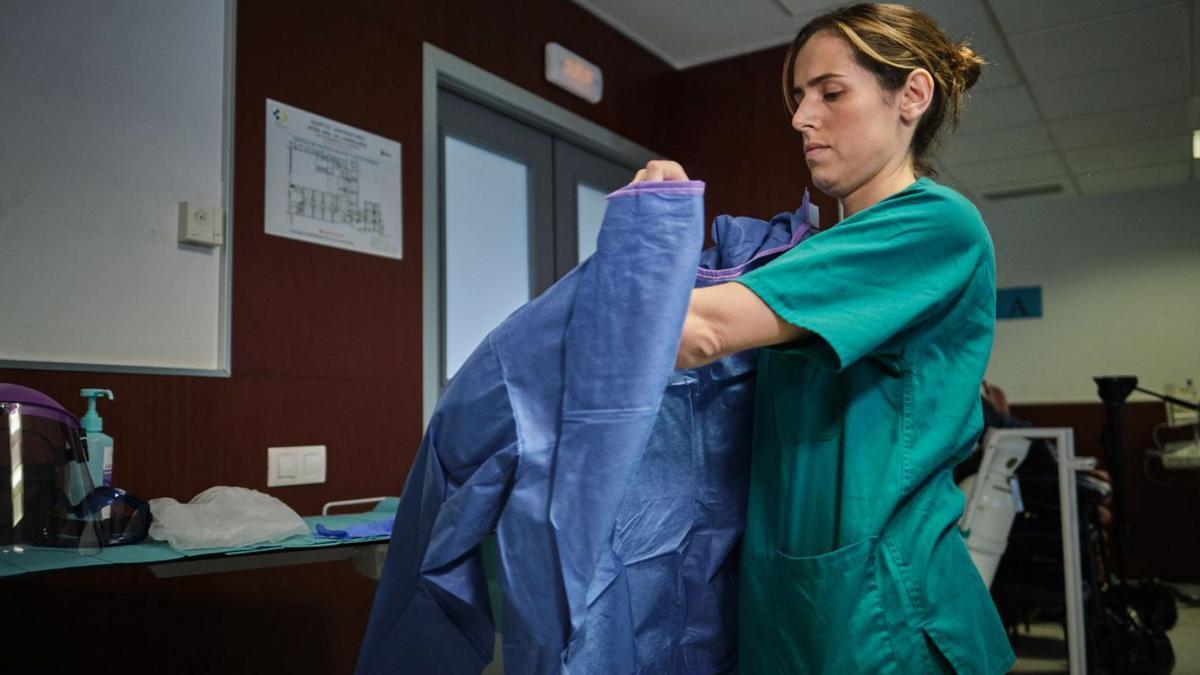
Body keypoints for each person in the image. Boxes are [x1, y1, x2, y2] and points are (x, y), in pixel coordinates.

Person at [630, 3, 1014, 673]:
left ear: (912, 96)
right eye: (799, 97)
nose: (801, 117)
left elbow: (699, 330)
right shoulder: (810, 252)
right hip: (797, 604)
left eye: (830, 92)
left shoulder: (935, 225)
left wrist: (644, 233)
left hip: (883, 617)